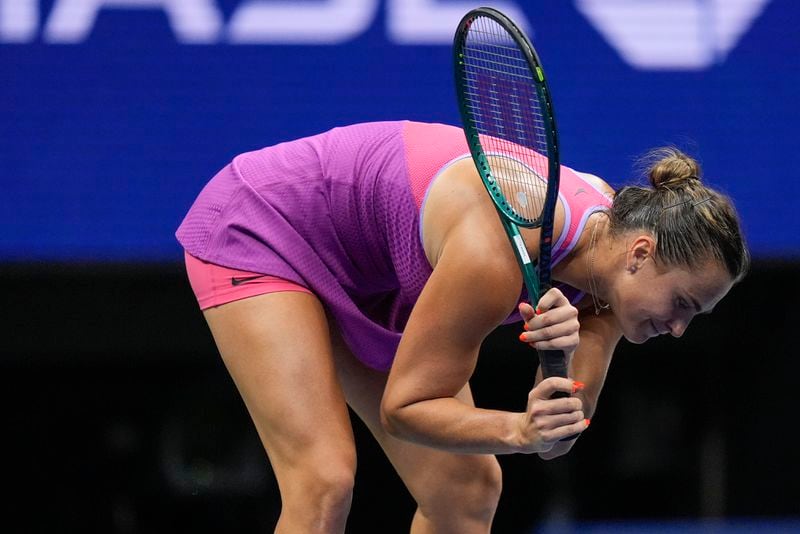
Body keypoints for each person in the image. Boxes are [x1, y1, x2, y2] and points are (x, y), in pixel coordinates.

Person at [176, 120, 748, 533]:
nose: (677, 329)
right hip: (268, 227)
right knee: (324, 481)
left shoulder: (613, 265)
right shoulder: (496, 251)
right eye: (684, 304)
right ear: (642, 254)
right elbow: (407, 409)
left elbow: (564, 431)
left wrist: (558, 384)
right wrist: (518, 431)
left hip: (371, 276)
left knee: (466, 491)